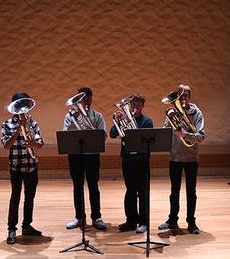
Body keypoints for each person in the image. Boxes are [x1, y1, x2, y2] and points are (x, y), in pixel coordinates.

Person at [158, 84, 205, 234]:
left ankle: (191, 222)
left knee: (191, 192)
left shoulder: (197, 113)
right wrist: (170, 119)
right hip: (175, 157)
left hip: (191, 158)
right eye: (180, 95)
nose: (182, 98)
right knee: (174, 191)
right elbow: (165, 131)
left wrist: (185, 134)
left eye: (185, 95)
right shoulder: (172, 113)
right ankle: (172, 220)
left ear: (189, 97)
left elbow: (201, 136)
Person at [1, 92, 44, 245]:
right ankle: (11, 229)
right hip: (16, 167)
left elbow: (40, 143)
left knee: (30, 198)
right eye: (19, 106)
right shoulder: (7, 124)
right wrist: (17, 131)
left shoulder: (33, 123)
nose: (22, 110)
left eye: (24, 106)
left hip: (31, 165)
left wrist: (34, 144)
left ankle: (26, 226)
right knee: (15, 198)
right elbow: (6, 146)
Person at [63, 87, 106, 230]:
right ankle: (79, 217)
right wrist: (73, 122)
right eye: (82, 98)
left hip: (92, 155)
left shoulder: (97, 116)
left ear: (91, 99)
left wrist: (91, 128)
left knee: (94, 186)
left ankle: (97, 217)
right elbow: (65, 136)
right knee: (77, 187)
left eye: (88, 98)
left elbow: (103, 136)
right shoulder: (69, 116)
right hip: (75, 155)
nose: (86, 101)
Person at [110, 94, 153, 234]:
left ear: (142, 106)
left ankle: (143, 222)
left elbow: (144, 139)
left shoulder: (147, 121)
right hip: (127, 160)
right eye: (133, 105)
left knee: (143, 192)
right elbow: (112, 133)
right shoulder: (125, 119)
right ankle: (131, 221)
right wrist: (119, 121)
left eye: (138, 105)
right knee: (130, 191)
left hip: (141, 161)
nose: (135, 108)